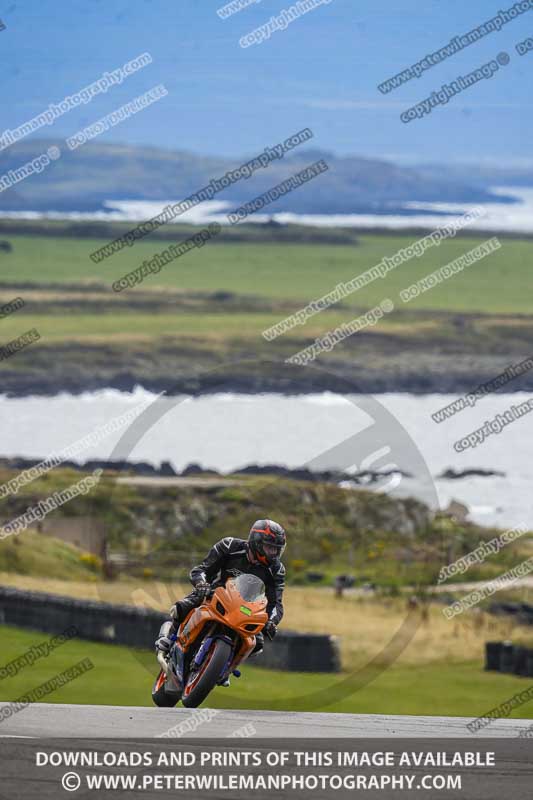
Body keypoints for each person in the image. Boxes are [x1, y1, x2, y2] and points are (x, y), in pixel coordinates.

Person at [155, 519, 286, 684]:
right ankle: (169, 640)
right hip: (217, 593)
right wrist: (201, 584)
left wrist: (271, 621)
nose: (273, 554)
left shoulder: (276, 569)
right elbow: (201, 570)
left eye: (276, 550)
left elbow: (276, 603)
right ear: (256, 542)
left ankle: (226, 668)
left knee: (258, 641)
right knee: (182, 607)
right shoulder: (229, 546)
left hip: (246, 609)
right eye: (270, 548)